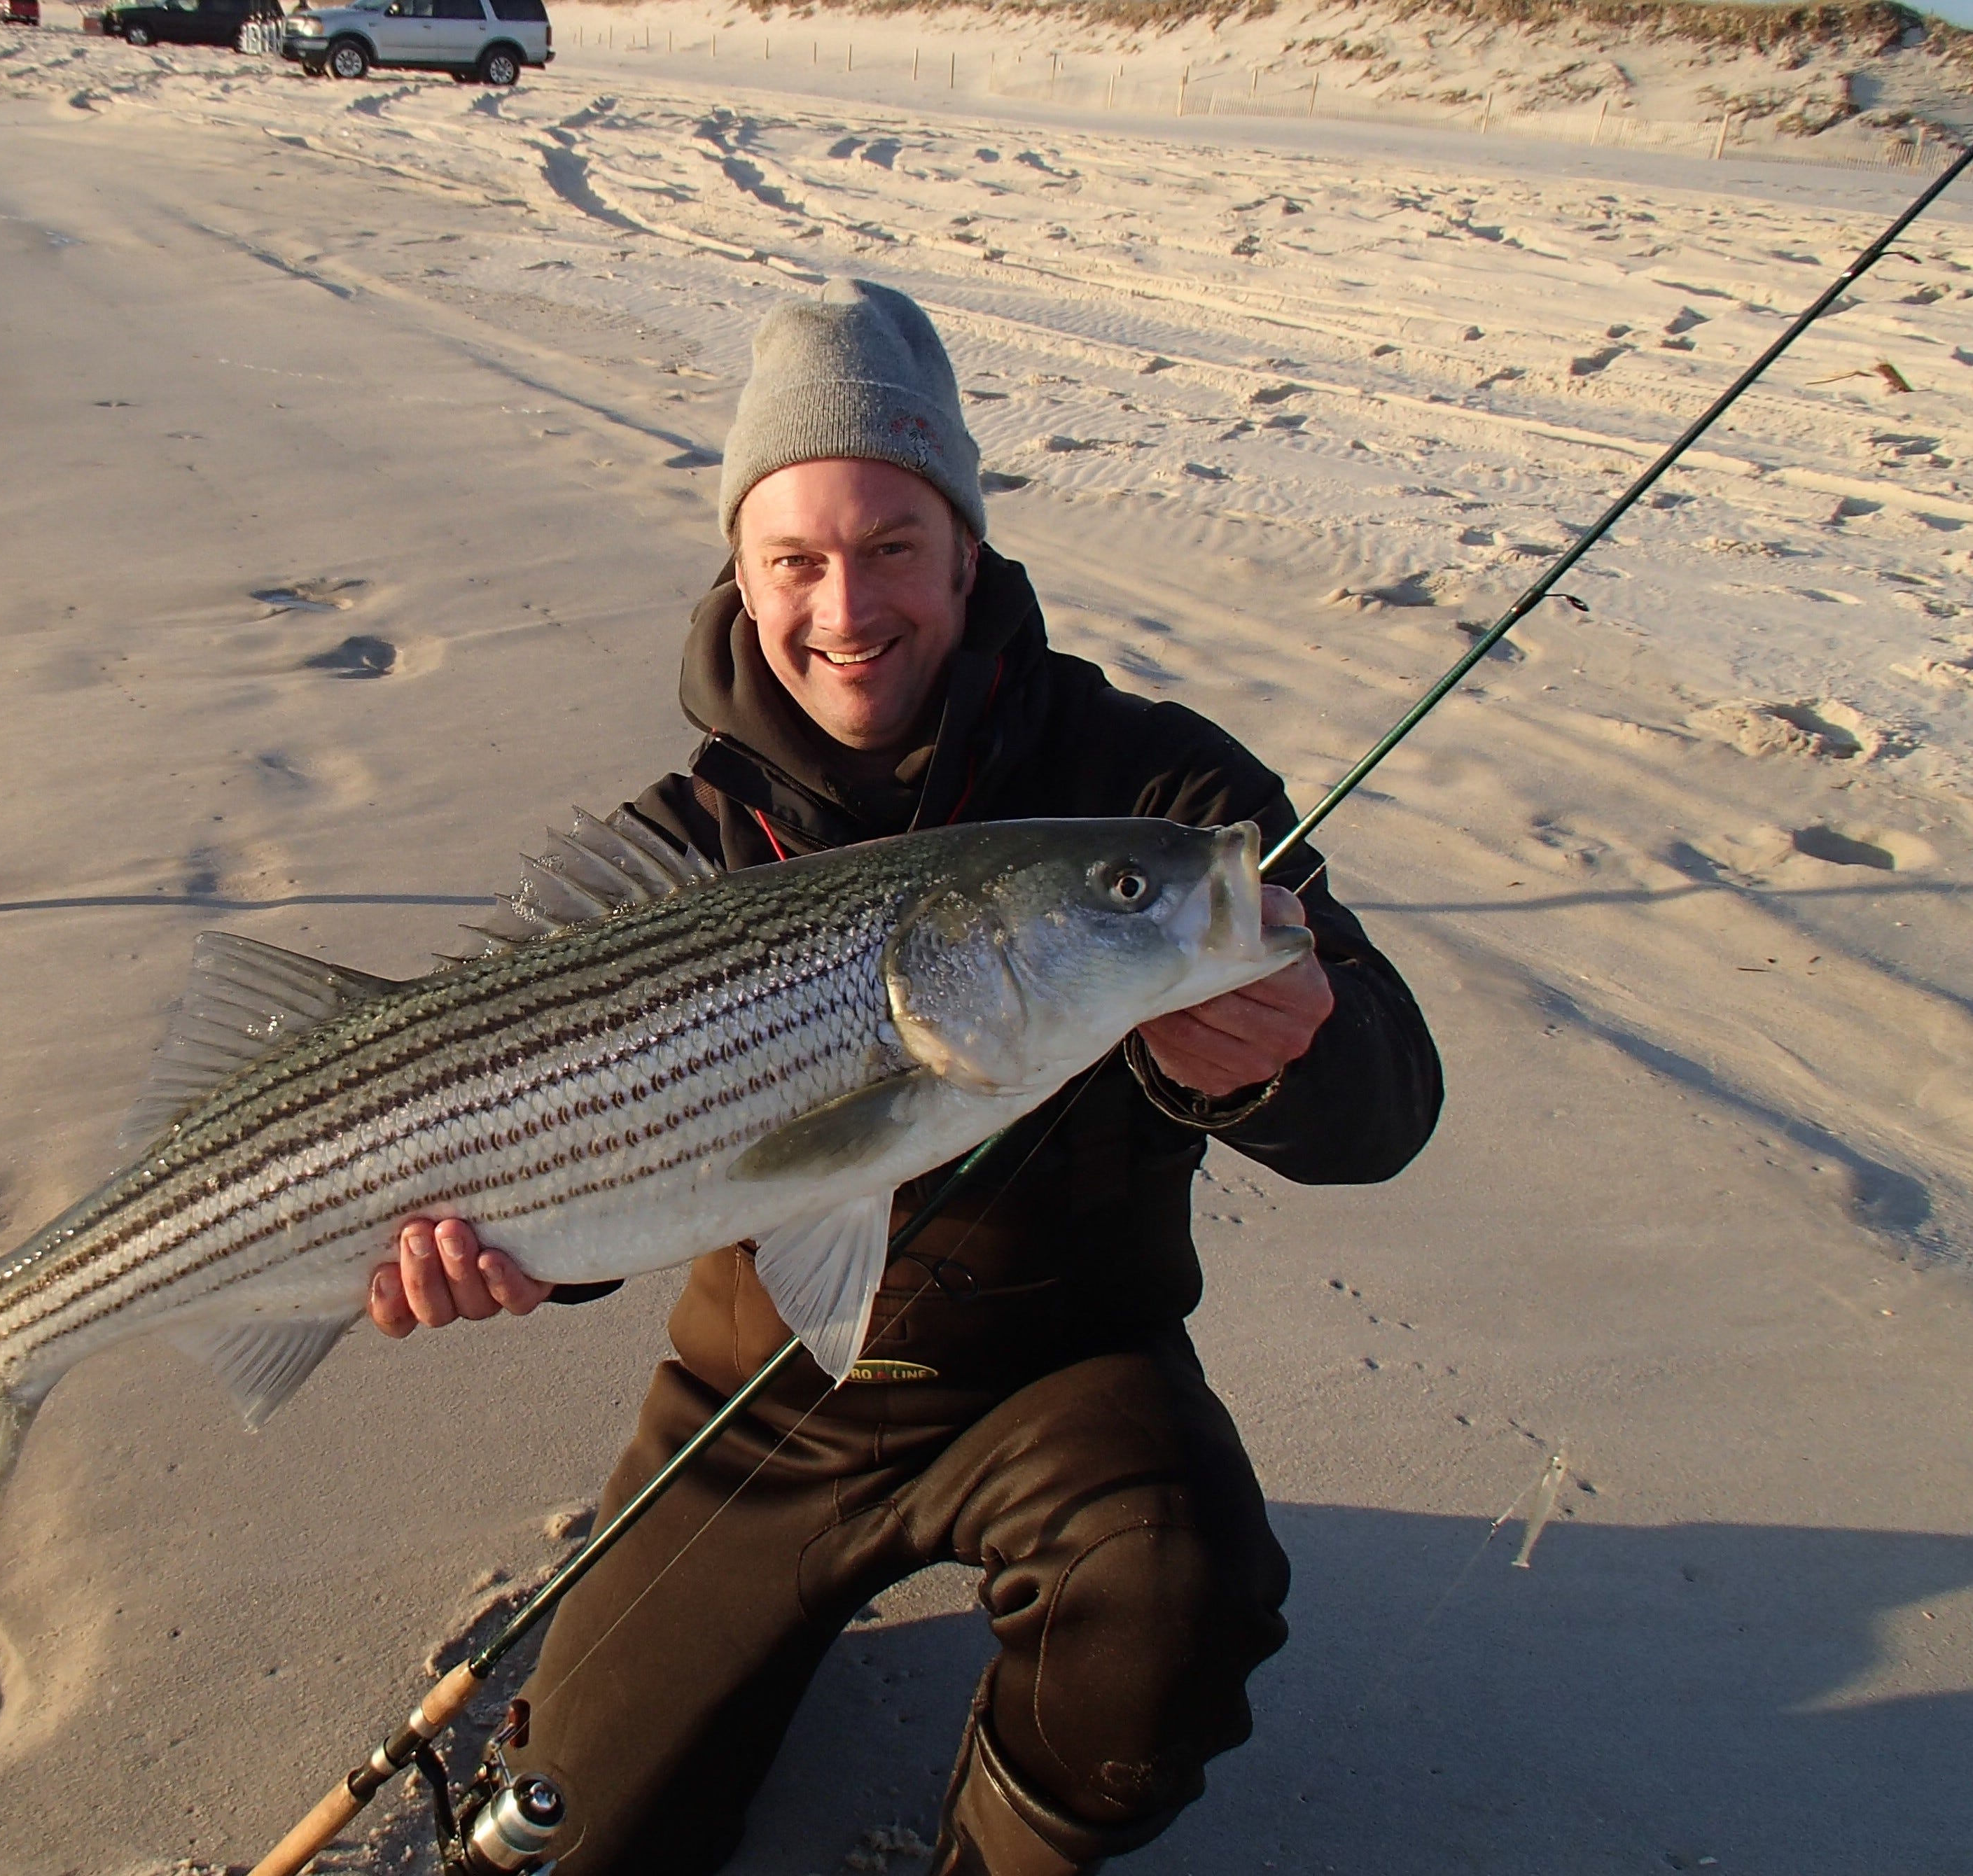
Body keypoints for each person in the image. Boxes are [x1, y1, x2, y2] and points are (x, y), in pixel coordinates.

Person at [366, 279, 1444, 1875]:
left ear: (963, 545)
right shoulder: (675, 849)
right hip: (756, 1403)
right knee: (567, 1846)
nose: (844, 607)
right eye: (793, 558)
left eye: (889, 546)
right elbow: (606, 1159)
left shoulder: (1153, 801)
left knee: (1177, 1591)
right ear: (738, 574)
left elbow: (1387, 1104)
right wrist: (494, 1249)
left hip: (1059, 1376)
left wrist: (1283, 1057)